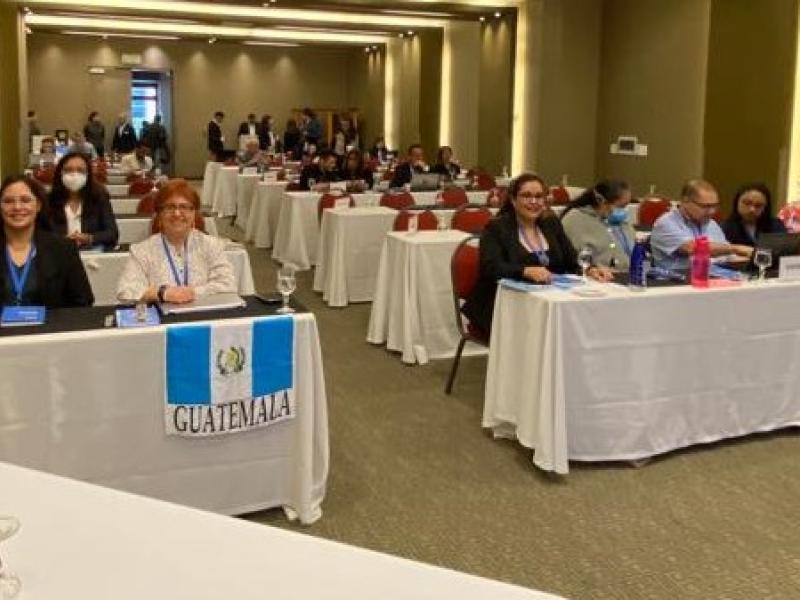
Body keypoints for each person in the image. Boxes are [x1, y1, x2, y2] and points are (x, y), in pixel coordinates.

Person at [462, 173, 612, 334]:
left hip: (548, 303)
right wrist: (524, 271)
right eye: (526, 196)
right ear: (513, 200)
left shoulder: (551, 224)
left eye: (539, 196)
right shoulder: (497, 228)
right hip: (502, 306)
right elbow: (491, 267)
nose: (534, 201)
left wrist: (590, 269)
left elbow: (571, 259)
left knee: (587, 323)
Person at [116, 179, 235, 304]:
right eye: (170, 207)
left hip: (204, 313)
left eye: (184, 207)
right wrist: (163, 293)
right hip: (161, 315)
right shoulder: (141, 251)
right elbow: (125, 291)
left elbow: (227, 285)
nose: (177, 213)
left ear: (194, 213)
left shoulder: (212, 245)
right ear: (159, 214)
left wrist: (189, 293)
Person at [0, 175, 93, 307]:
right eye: (8, 201)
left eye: (25, 200)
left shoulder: (63, 249)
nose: (17, 207)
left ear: (38, 205)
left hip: (51, 321)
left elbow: (83, 302)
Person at [650, 178, 753, 271]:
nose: (712, 211)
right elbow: (693, 248)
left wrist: (753, 258)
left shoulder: (711, 223)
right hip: (677, 280)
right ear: (685, 201)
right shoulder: (665, 223)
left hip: (714, 275)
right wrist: (736, 249)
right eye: (706, 206)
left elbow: (726, 256)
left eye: (715, 206)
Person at [49, 152, 119, 250]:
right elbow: (41, 234)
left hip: (91, 253)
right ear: (60, 173)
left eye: (80, 170)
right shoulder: (49, 200)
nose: (74, 174)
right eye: (68, 170)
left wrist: (89, 238)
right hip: (59, 252)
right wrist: (63, 240)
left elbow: (112, 233)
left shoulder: (99, 197)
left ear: (87, 174)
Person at [560, 179, 636, 269]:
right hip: (594, 274)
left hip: (625, 273)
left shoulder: (620, 222)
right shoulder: (574, 220)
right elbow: (576, 259)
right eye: (621, 206)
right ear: (601, 200)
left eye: (626, 206)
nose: (624, 210)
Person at [721, 183, 786, 246]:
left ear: (765, 208)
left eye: (758, 206)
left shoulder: (776, 226)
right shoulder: (725, 228)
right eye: (747, 203)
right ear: (737, 202)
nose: (752, 209)